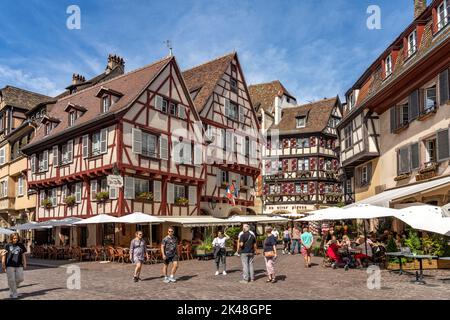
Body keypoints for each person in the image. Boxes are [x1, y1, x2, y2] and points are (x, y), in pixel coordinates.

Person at [2, 233, 27, 299]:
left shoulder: (21, 245)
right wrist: (3, 265)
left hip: (19, 264)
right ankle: (14, 293)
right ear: (11, 238)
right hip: (9, 265)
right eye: (14, 238)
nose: (15, 239)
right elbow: (4, 256)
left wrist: (25, 263)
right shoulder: (7, 245)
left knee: (20, 278)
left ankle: (12, 289)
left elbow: (23, 255)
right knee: (11, 280)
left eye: (16, 238)